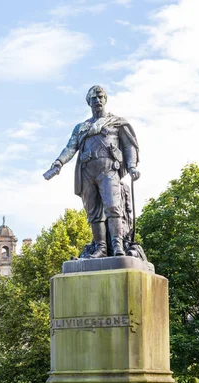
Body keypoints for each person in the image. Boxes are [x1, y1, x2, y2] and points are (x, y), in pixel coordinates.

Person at [49, 85, 140, 257]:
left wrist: (132, 165)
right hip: (87, 172)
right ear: (89, 102)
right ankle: (101, 248)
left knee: (113, 208)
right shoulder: (81, 127)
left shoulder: (117, 122)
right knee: (94, 213)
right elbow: (70, 148)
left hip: (109, 171)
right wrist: (59, 162)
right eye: (93, 98)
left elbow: (129, 146)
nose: (97, 100)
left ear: (105, 99)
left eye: (100, 97)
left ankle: (118, 246)